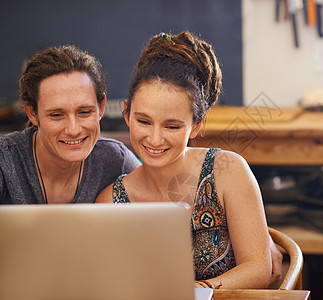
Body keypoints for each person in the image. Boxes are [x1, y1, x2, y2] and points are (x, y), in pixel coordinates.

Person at [96, 32, 278, 289]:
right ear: (126, 113)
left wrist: (200, 291)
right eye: (143, 121)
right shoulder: (109, 203)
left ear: (195, 126)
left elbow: (259, 268)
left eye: (171, 126)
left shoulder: (229, 171)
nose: (155, 139)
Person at [0, 45, 141, 204]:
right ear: (32, 113)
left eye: (84, 112)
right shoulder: (4, 161)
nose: (73, 130)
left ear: (101, 107)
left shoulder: (117, 161)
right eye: (57, 115)